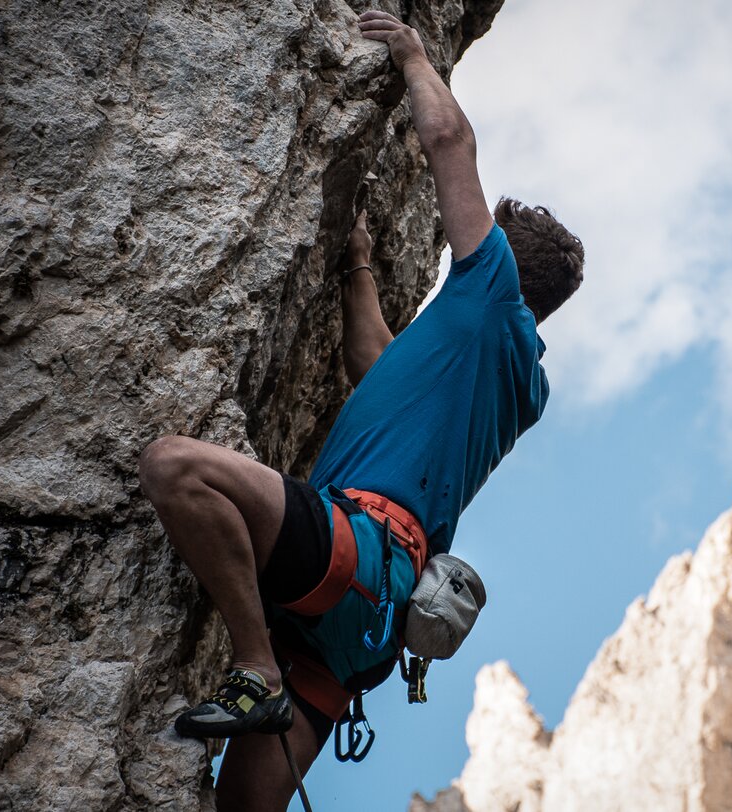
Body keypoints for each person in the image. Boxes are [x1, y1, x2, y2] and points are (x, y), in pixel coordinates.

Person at [135, 10, 584, 809]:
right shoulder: (516, 378)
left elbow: (449, 144)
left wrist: (414, 56)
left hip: (354, 554)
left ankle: (254, 668)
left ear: (503, 261)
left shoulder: (487, 292)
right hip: (365, 632)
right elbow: (375, 366)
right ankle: (274, 677)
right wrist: (359, 271)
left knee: (175, 469)